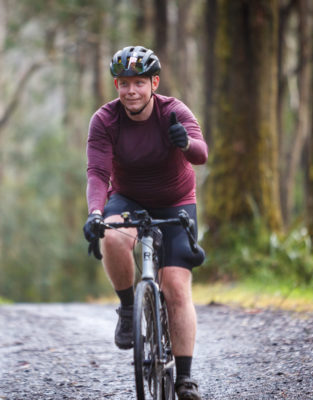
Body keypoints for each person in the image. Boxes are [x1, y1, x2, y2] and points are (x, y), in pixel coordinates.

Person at [82, 45, 207, 400]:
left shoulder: (173, 111)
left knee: (176, 290)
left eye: (138, 82)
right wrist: (95, 212)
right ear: (116, 85)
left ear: (154, 82)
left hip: (175, 203)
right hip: (128, 198)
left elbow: (202, 153)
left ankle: (184, 378)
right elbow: (97, 172)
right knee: (113, 237)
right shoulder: (105, 120)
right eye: (123, 83)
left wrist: (185, 144)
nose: (131, 91)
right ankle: (127, 307)